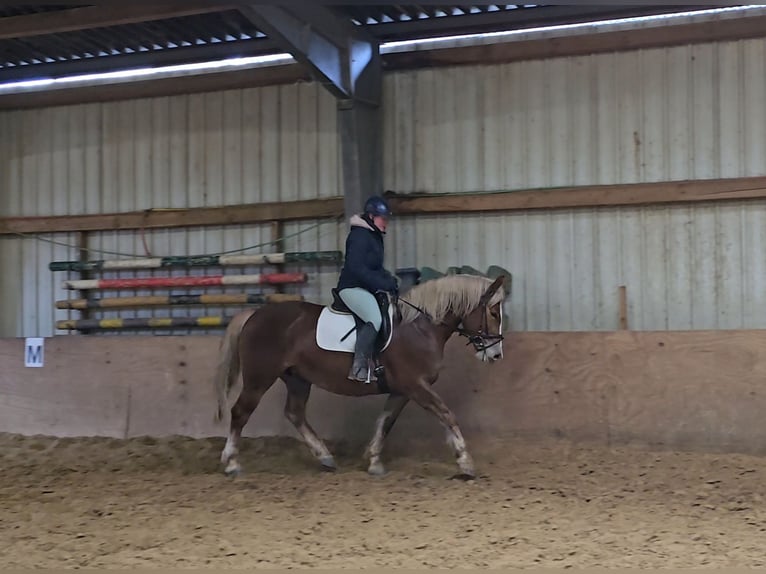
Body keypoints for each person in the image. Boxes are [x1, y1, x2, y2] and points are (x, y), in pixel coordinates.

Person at [336, 195, 398, 382]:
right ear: (371, 216)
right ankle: (358, 366)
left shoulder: (374, 236)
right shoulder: (360, 236)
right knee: (375, 318)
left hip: (366, 288)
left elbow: (375, 268)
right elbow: (357, 268)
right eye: (382, 218)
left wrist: (389, 280)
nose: (385, 222)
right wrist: (380, 283)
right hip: (352, 287)